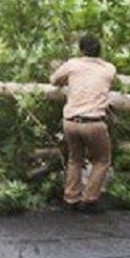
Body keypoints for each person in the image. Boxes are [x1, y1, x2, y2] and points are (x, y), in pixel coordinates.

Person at [50, 34, 116, 211]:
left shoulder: (72, 64)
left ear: (81, 50)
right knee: (102, 160)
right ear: (100, 50)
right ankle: (90, 199)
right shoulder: (109, 69)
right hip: (94, 122)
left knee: (74, 159)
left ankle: (71, 198)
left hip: (71, 121)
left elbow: (54, 80)